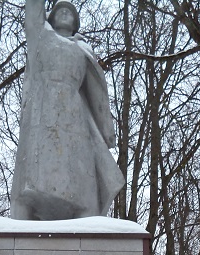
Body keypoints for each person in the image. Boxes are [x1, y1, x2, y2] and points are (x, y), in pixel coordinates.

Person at [10, 0, 125, 220]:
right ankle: (25, 220)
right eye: (60, 10)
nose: (65, 13)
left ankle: (86, 221)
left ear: (76, 23)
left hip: (75, 116)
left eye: (70, 12)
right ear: (51, 18)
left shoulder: (83, 49)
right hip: (42, 114)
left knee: (81, 176)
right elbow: (33, 12)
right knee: (34, 173)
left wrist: (106, 129)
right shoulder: (41, 37)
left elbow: (96, 94)